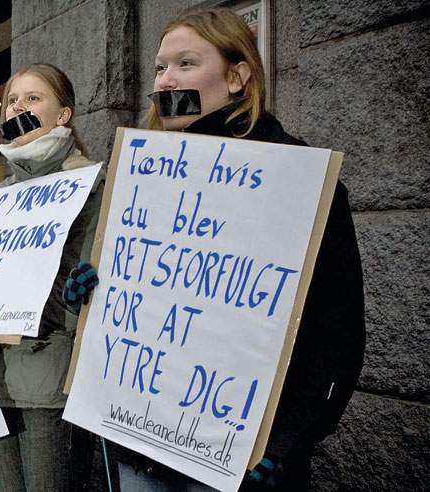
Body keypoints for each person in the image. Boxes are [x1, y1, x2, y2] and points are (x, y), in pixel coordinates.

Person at [66, 8, 365, 491]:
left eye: (185, 64)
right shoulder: (142, 176)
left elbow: (338, 333)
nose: (166, 79)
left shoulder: (297, 179)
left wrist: (287, 440)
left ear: (237, 76)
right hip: (139, 442)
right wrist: (91, 295)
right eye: (160, 68)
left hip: (236, 455)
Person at [0, 63, 105, 492]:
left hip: (51, 379)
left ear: (63, 115)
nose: (19, 106)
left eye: (33, 98)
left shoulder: (90, 183)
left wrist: (71, 300)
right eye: (12, 100)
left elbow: (96, 286)